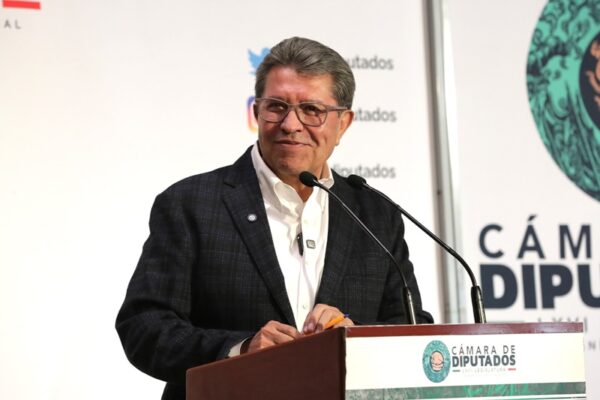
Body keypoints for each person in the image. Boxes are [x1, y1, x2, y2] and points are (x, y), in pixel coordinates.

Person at [116, 36, 433, 400]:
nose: (290, 124)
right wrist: (241, 349)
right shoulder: (191, 204)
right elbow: (144, 328)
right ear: (257, 112)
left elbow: (411, 327)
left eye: (311, 109)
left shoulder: (375, 215)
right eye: (277, 107)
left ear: (343, 123)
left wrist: (354, 336)